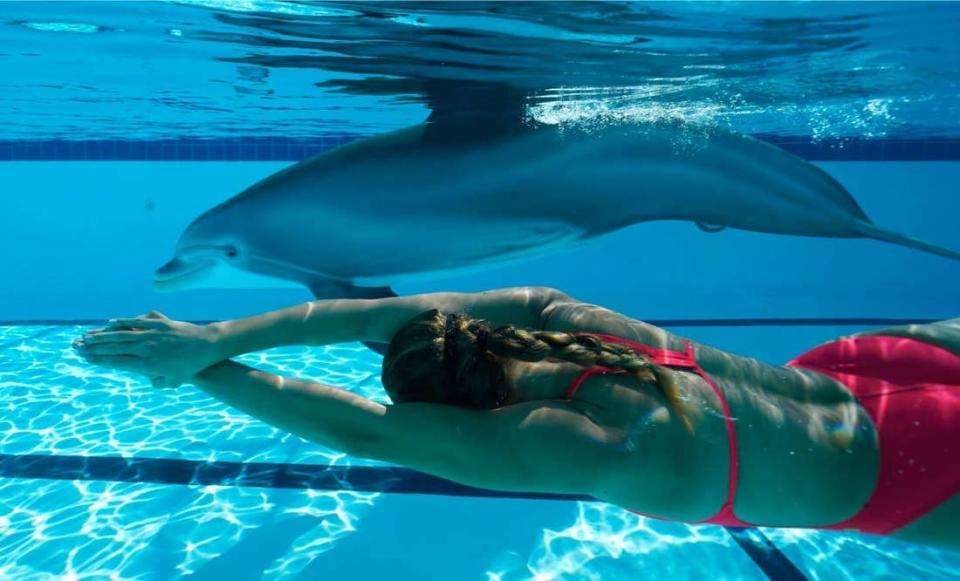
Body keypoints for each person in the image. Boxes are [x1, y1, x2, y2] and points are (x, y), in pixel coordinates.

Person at [72, 286, 959, 550]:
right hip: (867, 369)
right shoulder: (574, 322)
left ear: (463, 413)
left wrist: (205, 377)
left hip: (911, 475)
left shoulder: (589, 440)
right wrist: (206, 339)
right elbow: (362, 316)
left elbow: (364, 430)